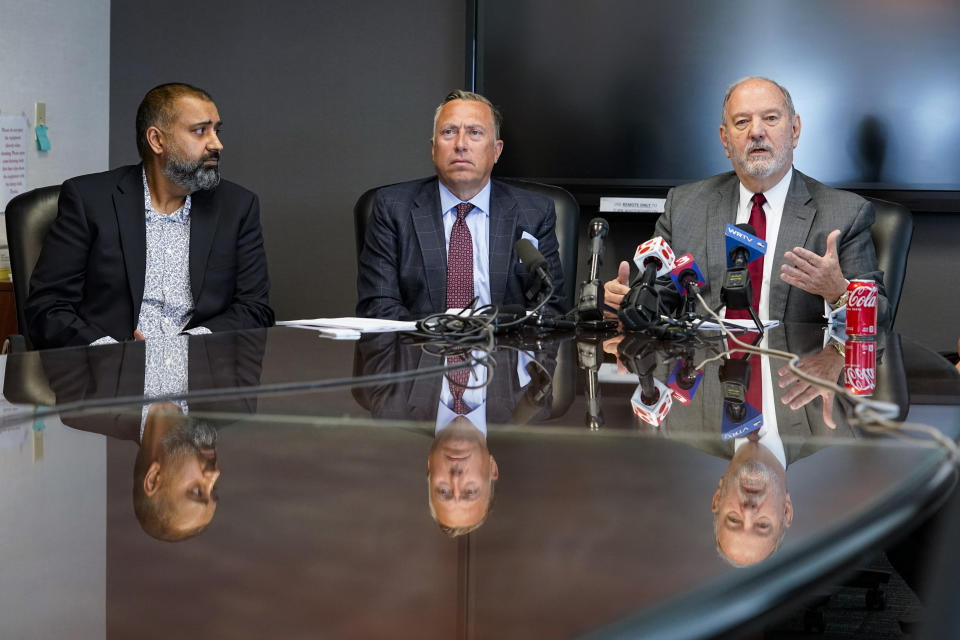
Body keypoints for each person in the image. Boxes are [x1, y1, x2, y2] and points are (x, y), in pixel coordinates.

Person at [604, 76, 888, 327]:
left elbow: (881, 316)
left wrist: (838, 292)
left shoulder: (844, 214)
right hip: (705, 373)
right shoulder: (685, 205)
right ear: (725, 139)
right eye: (742, 122)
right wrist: (631, 302)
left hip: (794, 376)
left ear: (795, 130)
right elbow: (658, 299)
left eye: (771, 119)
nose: (756, 132)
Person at [25, 82, 273, 349]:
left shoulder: (237, 207)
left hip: (202, 373)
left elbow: (254, 309)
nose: (217, 144)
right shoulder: (89, 200)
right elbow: (48, 308)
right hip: (107, 376)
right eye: (200, 131)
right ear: (157, 140)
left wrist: (185, 345)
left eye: (216, 130)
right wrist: (110, 350)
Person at [356, 89, 565, 320]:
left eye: (475, 132)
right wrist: (444, 334)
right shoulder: (393, 208)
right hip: (420, 350)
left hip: (504, 351)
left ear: (496, 151)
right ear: (434, 149)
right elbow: (378, 307)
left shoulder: (534, 212)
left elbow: (551, 308)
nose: (461, 144)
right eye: (449, 132)